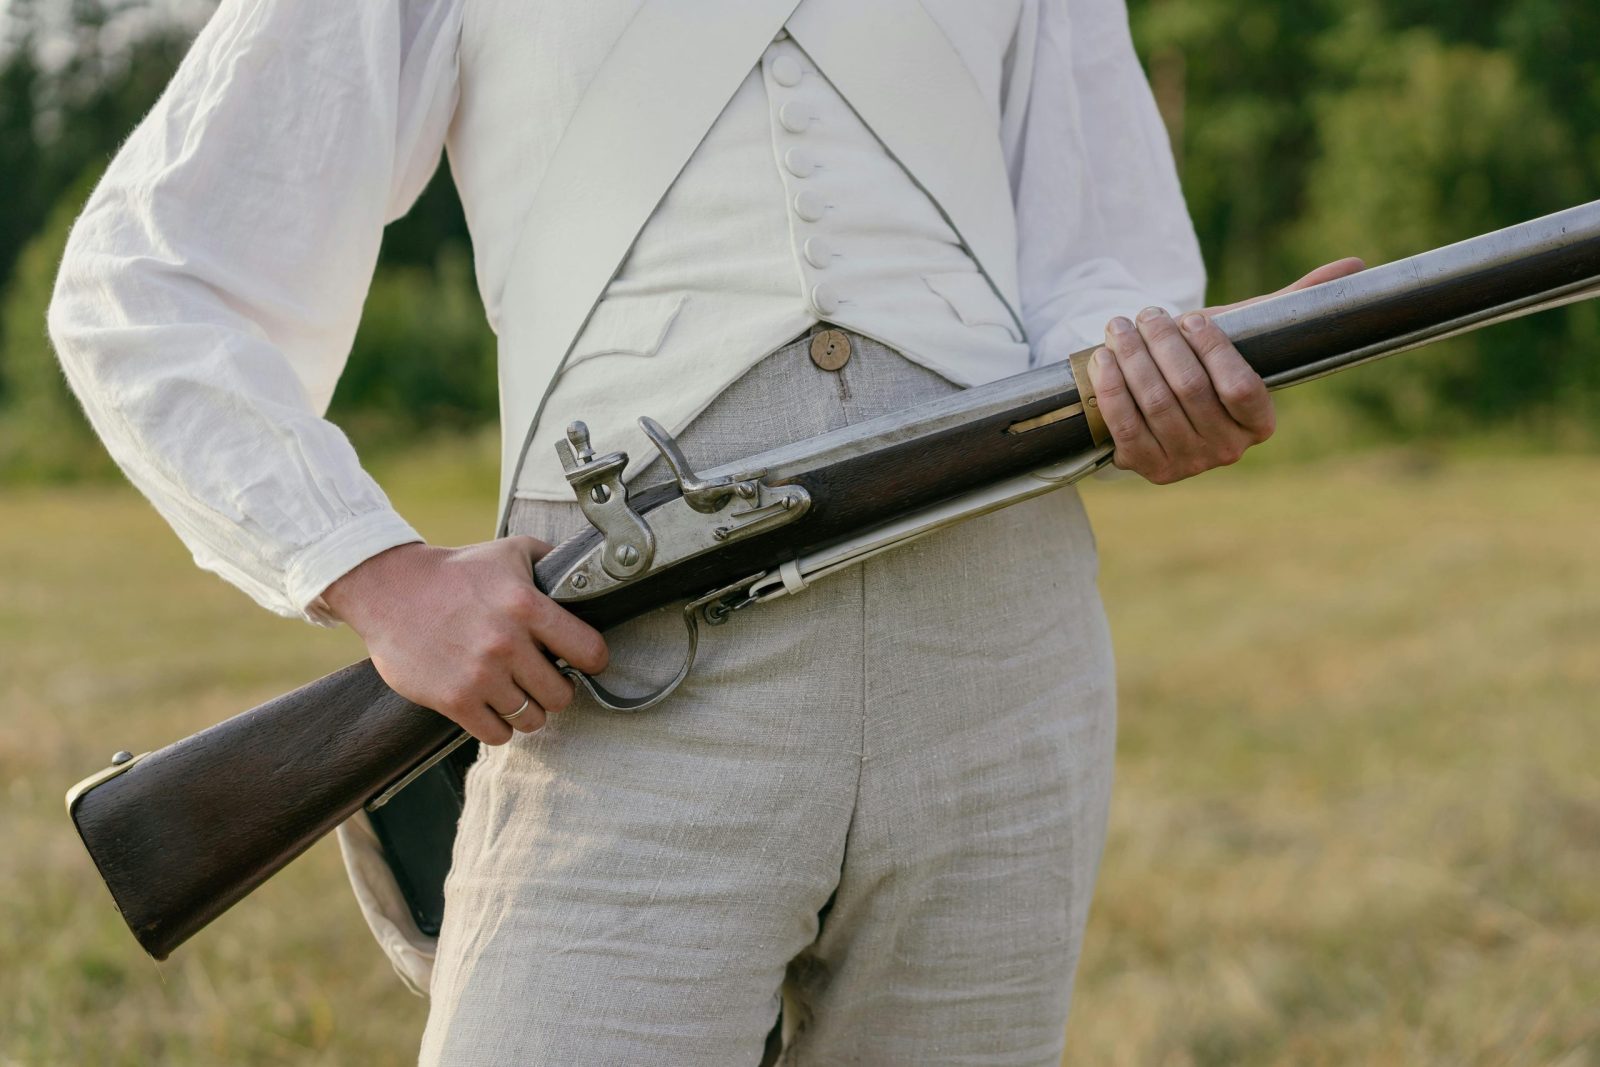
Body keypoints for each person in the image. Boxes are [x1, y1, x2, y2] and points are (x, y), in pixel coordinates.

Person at [47, 1, 1359, 1063]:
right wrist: (378, 576)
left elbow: (1100, 267)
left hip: (1003, 651)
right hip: (628, 663)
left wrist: (1150, 364)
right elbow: (151, 280)